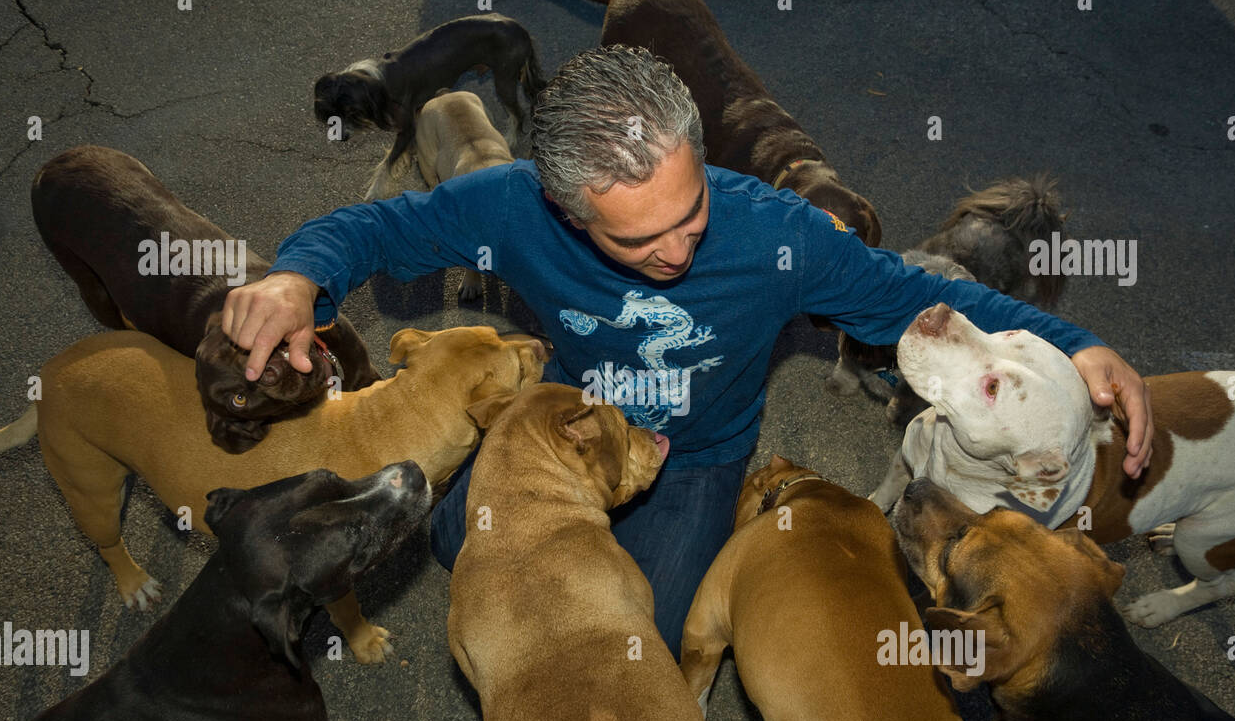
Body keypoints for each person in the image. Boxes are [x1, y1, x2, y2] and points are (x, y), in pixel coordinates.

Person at [221, 46, 1153, 658]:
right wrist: (297, 277)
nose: (676, 251)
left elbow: (919, 295)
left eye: (690, 213)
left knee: (638, 644)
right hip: (567, 426)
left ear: (700, 163)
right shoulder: (510, 204)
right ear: (562, 209)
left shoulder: (778, 234)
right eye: (636, 242)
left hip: (695, 460)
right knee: (459, 541)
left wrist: (1079, 347)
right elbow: (377, 230)